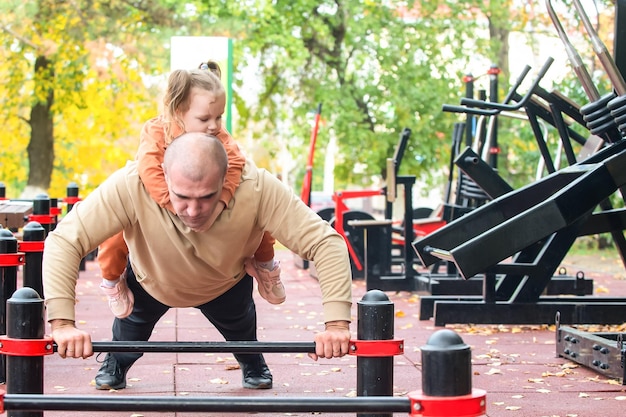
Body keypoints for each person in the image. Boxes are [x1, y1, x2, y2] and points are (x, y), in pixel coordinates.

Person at [43, 132, 353, 391]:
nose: (193, 211)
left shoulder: (255, 187)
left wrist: (337, 324)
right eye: (182, 197)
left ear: (226, 179)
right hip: (153, 280)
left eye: (206, 197)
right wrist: (62, 323)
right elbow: (64, 240)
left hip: (223, 283)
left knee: (243, 332)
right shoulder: (131, 184)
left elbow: (326, 243)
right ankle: (116, 362)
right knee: (127, 338)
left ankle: (252, 361)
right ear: (164, 179)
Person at [98, 68, 284, 320]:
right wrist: (173, 204)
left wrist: (221, 201)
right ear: (179, 112)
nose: (214, 125)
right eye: (205, 118)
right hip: (163, 204)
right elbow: (149, 168)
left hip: (209, 203)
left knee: (258, 212)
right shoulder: (156, 131)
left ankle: (265, 265)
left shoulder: (218, 135)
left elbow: (236, 162)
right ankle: (111, 280)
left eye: (219, 117)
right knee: (116, 231)